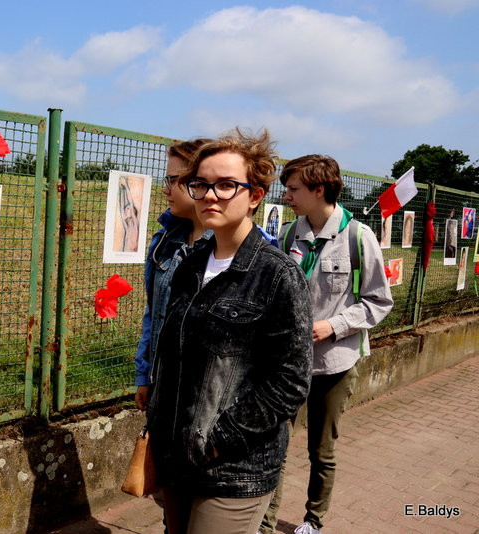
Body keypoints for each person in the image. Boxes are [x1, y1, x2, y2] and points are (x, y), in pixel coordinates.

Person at [147, 129, 313, 534]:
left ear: (254, 196)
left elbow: (290, 382)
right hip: (176, 457)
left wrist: (218, 439)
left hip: (233, 467)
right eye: (200, 184)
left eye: (226, 185)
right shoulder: (191, 264)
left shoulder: (277, 274)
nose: (209, 195)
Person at [260, 154, 394, 534]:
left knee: (321, 451)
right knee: (273, 447)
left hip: (333, 362)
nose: (286, 195)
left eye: (293, 188)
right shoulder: (287, 235)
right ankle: (264, 524)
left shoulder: (358, 237)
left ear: (319, 190)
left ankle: (313, 520)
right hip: (285, 364)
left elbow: (378, 301)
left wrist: (333, 326)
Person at [134, 138, 212, 412]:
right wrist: (145, 375)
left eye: (173, 180)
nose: (165, 189)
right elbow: (153, 312)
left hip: (205, 397)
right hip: (162, 384)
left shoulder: (231, 248)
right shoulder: (164, 240)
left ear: (200, 183)